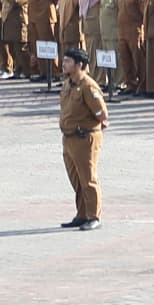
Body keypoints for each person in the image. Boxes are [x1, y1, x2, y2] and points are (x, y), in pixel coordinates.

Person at [58, 48, 107, 229]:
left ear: (80, 65)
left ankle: (94, 216)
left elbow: (102, 113)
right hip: (69, 138)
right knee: (76, 179)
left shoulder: (88, 85)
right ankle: (82, 213)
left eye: (68, 61)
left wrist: (98, 125)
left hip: (84, 138)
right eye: (64, 61)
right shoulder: (68, 83)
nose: (64, 64)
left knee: (88, 179)